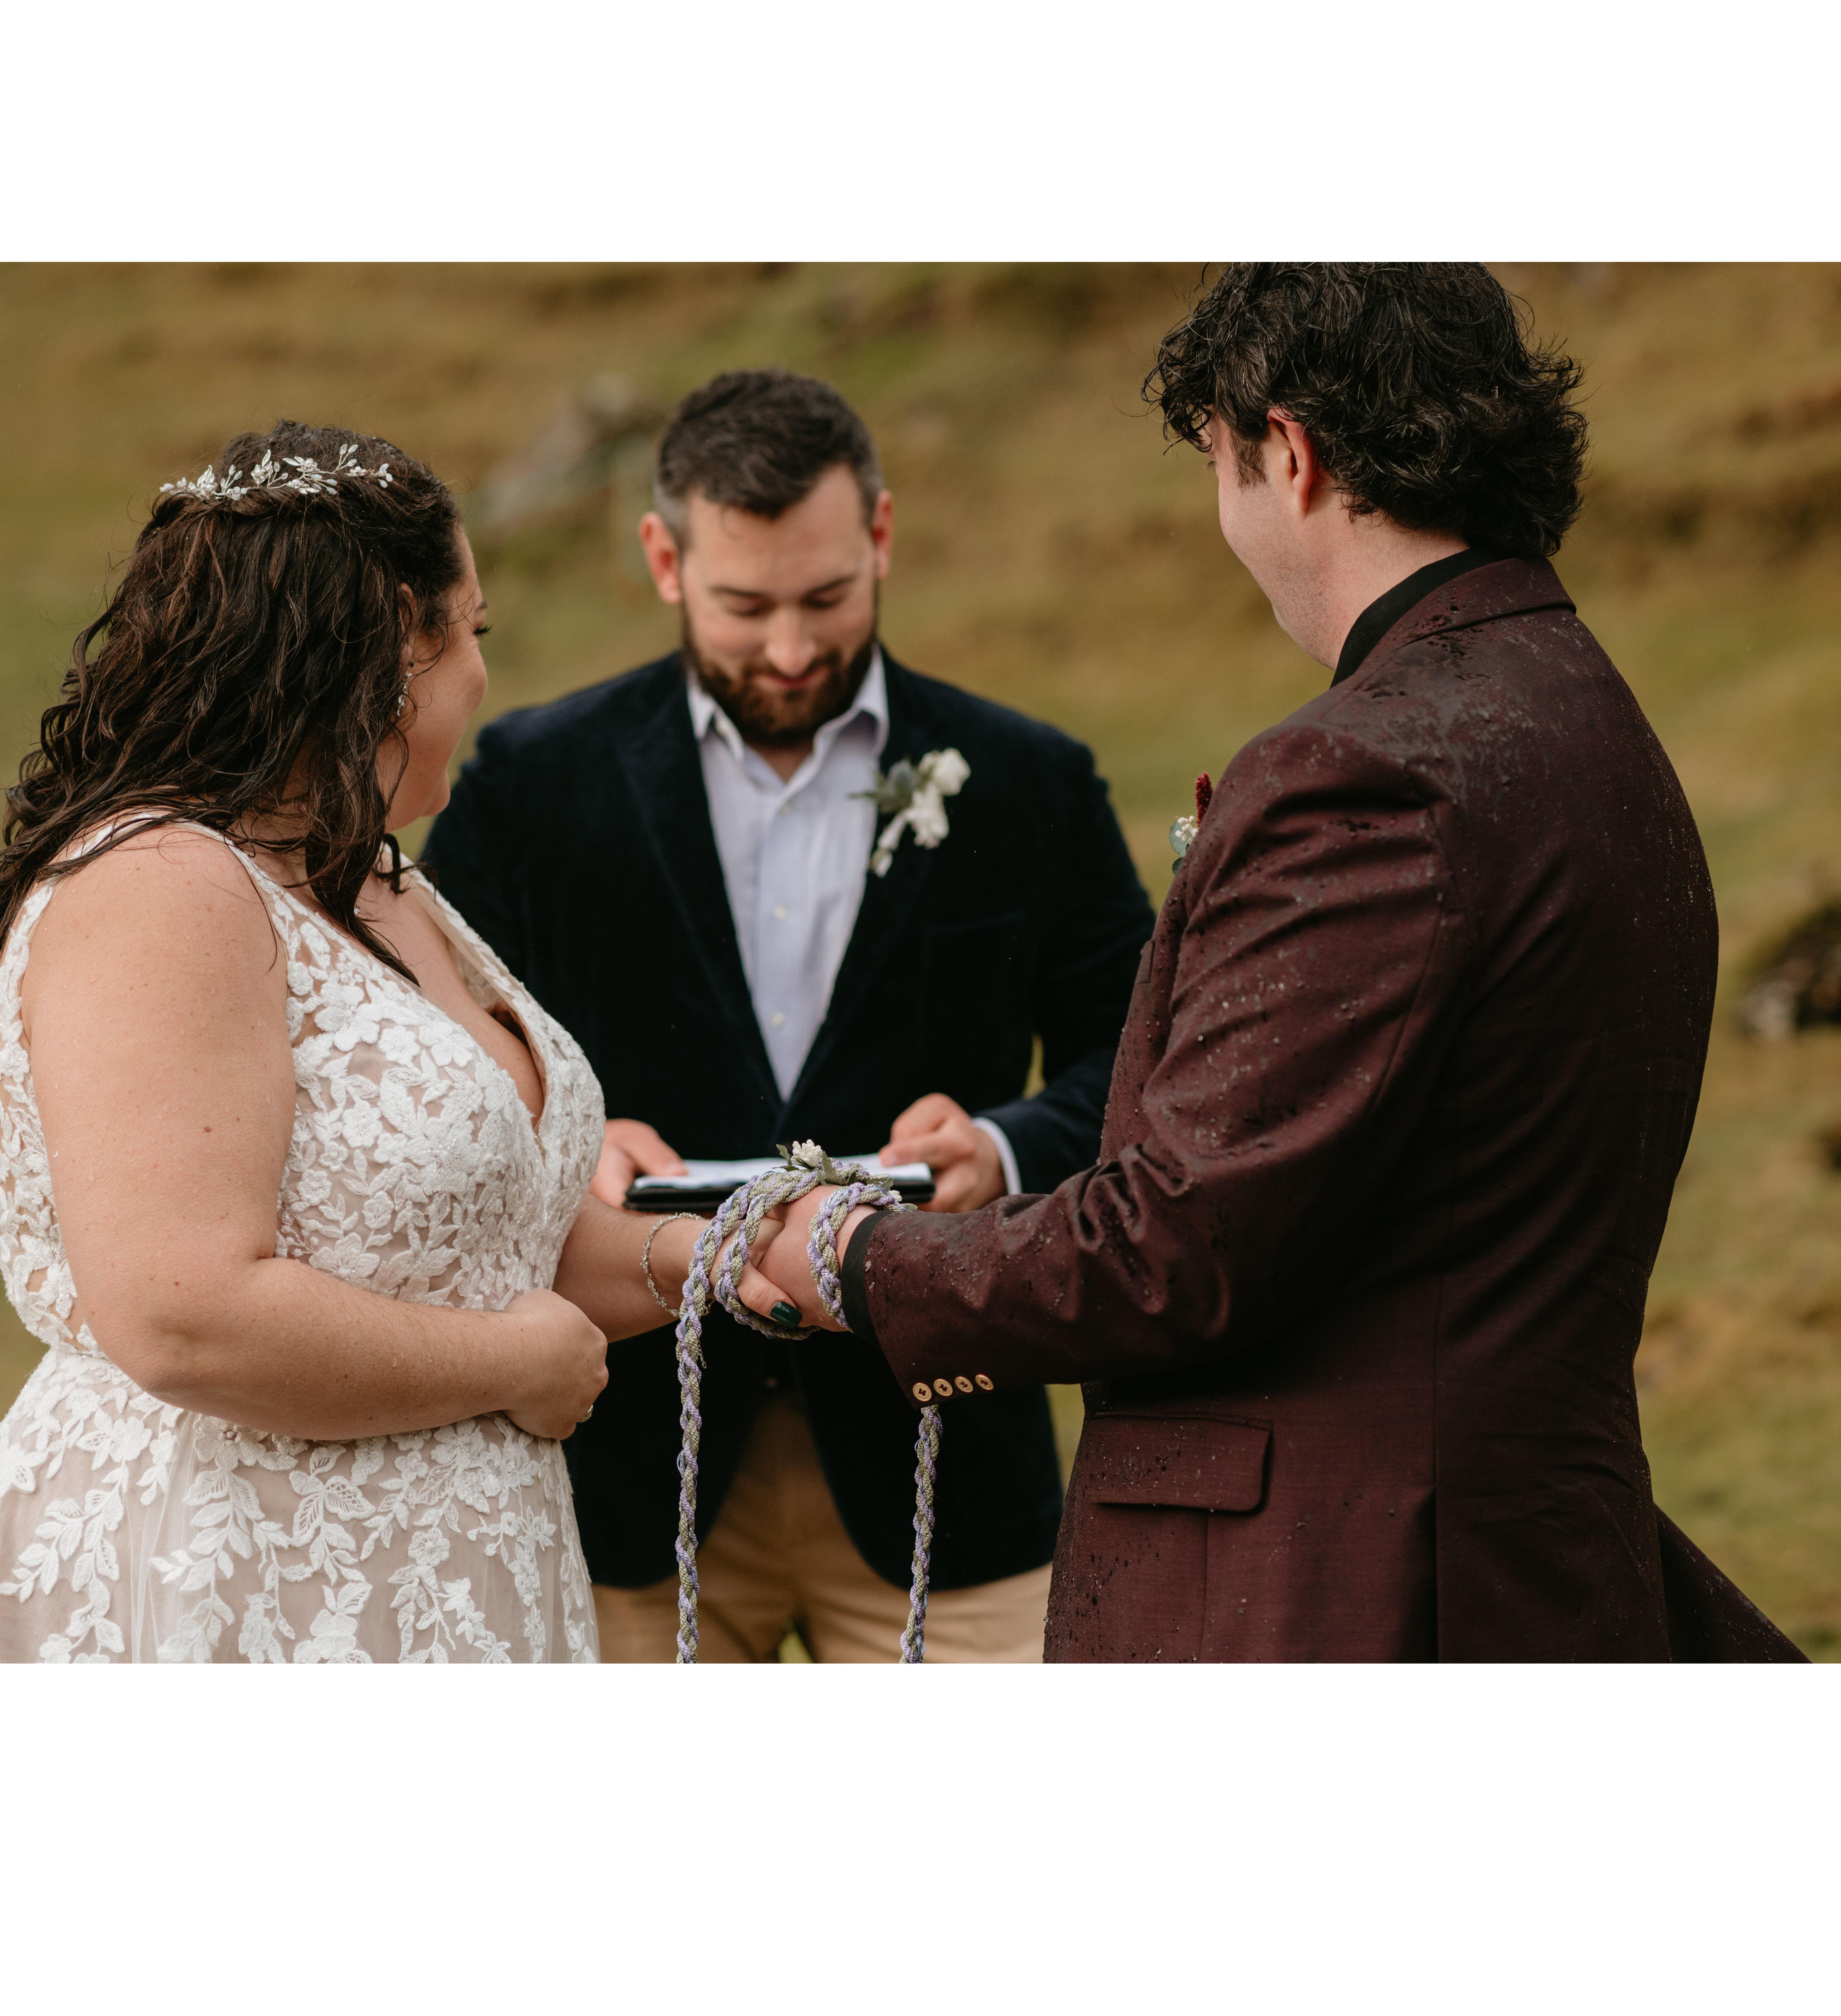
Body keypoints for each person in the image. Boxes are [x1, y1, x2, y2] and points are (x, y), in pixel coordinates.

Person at [756, 266, 1806, 1662]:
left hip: (1343, 1591)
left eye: (1223, 464)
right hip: (1523, 1560)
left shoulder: (1367, 772)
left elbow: (1177, 1250)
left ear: (1290, 453)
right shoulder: (1593, 720)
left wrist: (858, 1256)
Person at [0, 420, 778, 1665]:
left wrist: (734, 1254)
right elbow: (183, 1314)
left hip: (448, 1583)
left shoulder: (378, 886)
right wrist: (508, 1366)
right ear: (381, 661)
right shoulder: (165, 888)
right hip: (225, 1577)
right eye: (471, 632)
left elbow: (487, 1241)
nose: (480, 673)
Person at [422, 370, 1155, 1661]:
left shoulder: (1030, 782)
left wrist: (1006, 1144)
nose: (792, 648)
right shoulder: (528, 788)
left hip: (945, 1457)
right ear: (664, 557)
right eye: (744, 605)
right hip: (625, 1469)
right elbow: (439, 1058)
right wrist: (568, 1144)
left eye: (826, 598)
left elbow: (1145, 1062)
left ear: (880, 536)